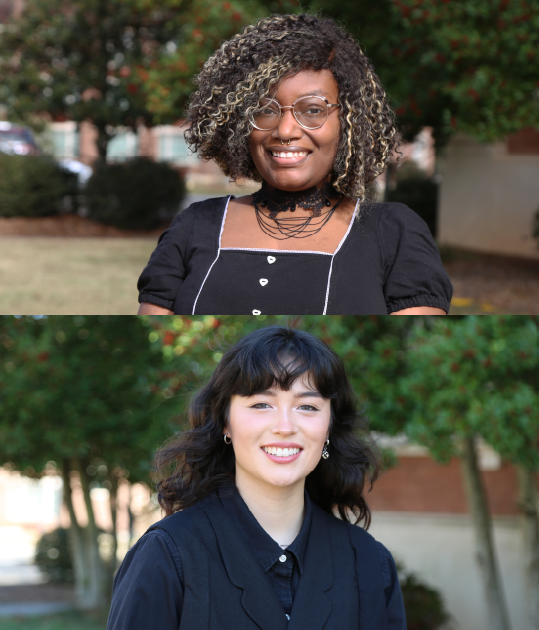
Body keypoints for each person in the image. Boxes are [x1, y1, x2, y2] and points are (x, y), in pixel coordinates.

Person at [137, 14, 451, 315]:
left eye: (313, 109)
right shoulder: (193, 227)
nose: (285, 131)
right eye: (265, 110)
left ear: (349, 122)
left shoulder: (395, 233)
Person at [108, 326, 406, 629]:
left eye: (307, 406)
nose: (285, 426)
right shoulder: (167, 556)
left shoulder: (369, 563)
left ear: (329, 427)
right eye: (261, 404)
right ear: (225, 421)